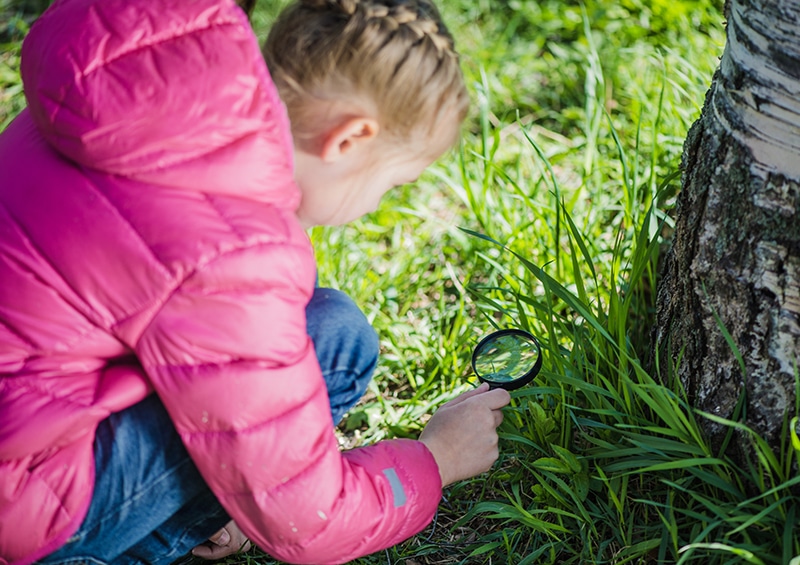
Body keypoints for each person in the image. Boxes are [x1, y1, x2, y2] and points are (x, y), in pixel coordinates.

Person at [0, 0, 511, 563]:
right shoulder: (232, 253)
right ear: (349, 140)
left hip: (26, 419)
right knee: (338, 341)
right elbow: (309, 525)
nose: (374, 206)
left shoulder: (134, 97)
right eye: (390, 184)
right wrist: (436, 459)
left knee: (324, 327)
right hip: (20, 509)